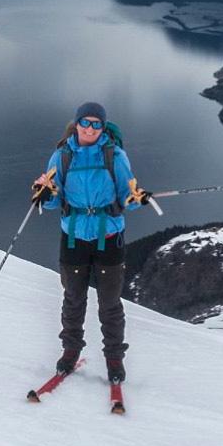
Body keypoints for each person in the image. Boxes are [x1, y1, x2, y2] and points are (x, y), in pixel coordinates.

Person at [31, 102, 151, 384]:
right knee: (73, 299)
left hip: (108, 236)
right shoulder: (62, 156)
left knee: (109, 303)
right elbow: (55, 198)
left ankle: (114, 358)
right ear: (76, 124)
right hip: (73, 236)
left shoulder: (115, 156)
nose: (90, 128)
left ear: (103, 127)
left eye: (97, 124)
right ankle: (70, 352)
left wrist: (136, 199)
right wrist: (43, 195)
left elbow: (125, 196)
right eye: (85, 122)